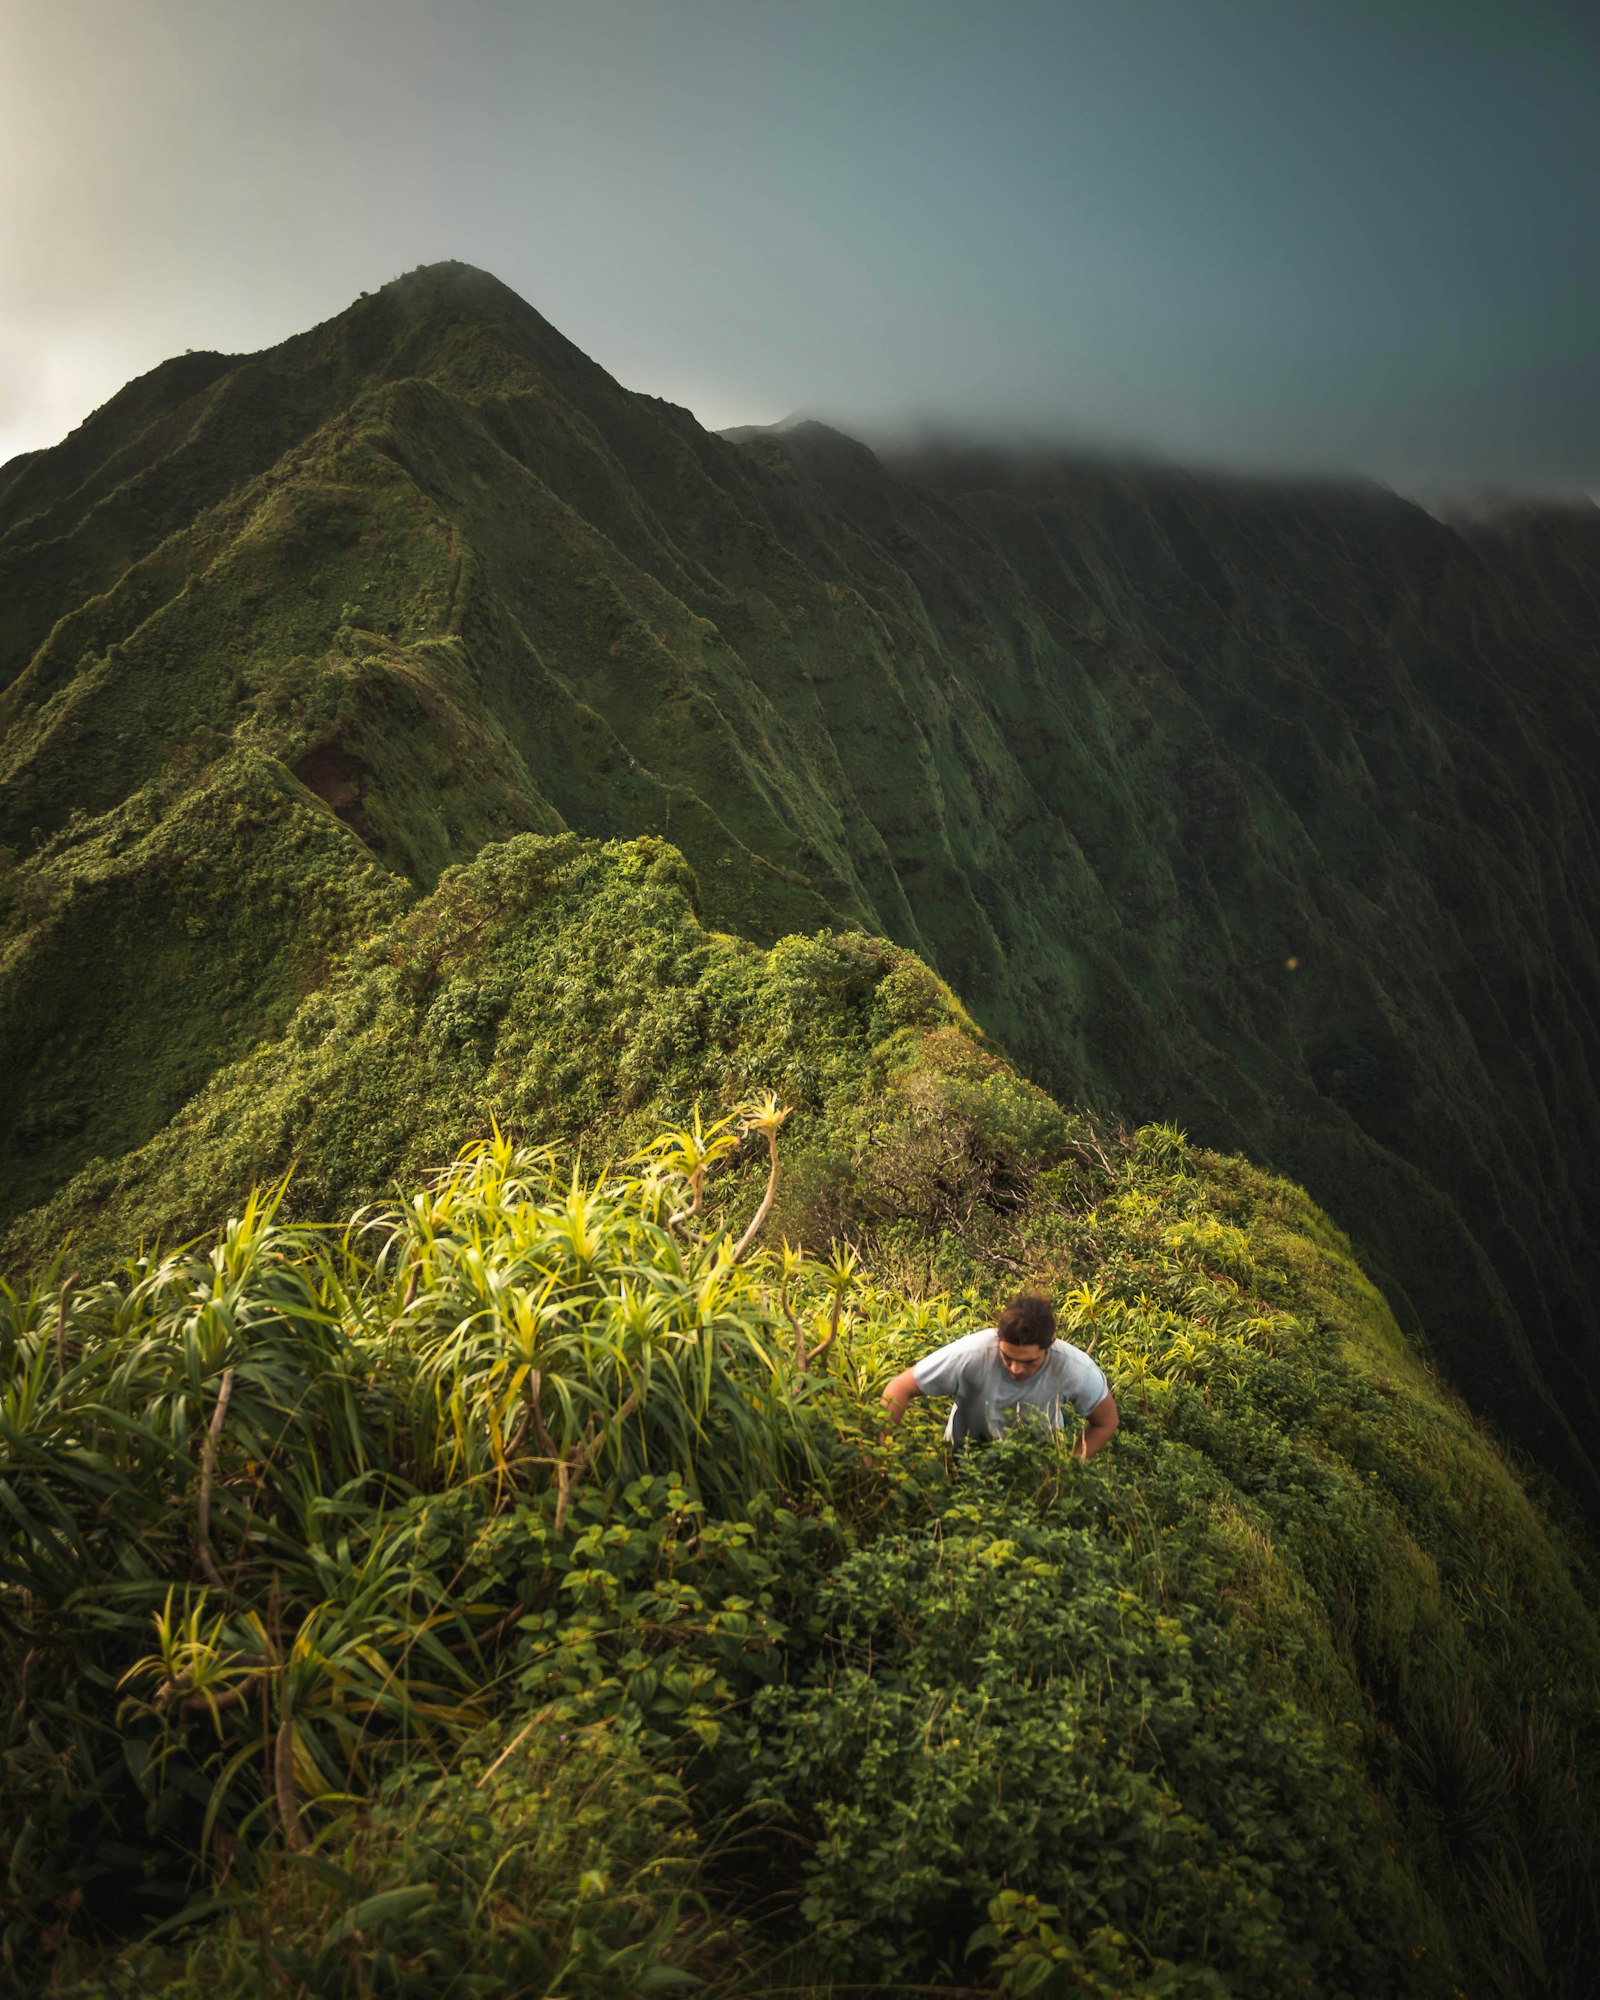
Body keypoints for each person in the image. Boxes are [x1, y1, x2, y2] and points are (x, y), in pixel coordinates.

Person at [880, 1293, 1119, 1457]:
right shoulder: (972, 1353)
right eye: (1007, 1357)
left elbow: (1106, 1422)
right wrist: (880, 1454)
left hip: (1032, 1465)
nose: (1015, 1369)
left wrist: (1068, 1468)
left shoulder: (1073, 1367)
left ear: (1050, 1345)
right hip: (963, 1459)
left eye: (1028, 1361)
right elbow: (899, 1387)